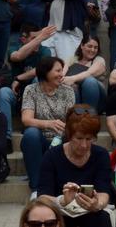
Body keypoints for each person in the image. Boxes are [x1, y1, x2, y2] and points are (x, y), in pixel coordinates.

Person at [38, 105, 112, 227]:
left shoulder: (101, 155)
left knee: (102, 218)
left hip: (91, 213)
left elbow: (104, 192)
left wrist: (96, 204)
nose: (84, 145)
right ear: (69, 135)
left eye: (89, 139)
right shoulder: (52, 156)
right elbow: (43, 196)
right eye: (79, 138)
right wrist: (62, 200)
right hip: (60, 213)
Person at [21, 56, 76, 197]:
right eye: (57, 70)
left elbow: (72, 121)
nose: (61, 74)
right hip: (40, 140)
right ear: (46, 72)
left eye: (61, 70)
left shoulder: (68, 91)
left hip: (61, 139)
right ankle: (36, 189)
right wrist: (48, 124)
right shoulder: (31, 90)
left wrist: (61, 132)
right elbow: (26, 119)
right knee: (30, 134)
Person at [64, 35, 107, 111]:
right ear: (82, 46)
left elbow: (89, 73)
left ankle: (90, 114)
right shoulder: (73, 59)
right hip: (75, 94)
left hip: (96, 98)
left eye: (95, 47)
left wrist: (72, 79)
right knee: (72, 86)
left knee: (89, 81)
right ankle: (75, 116)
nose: (93, 50)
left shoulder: (99, 60)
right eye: (90, 46)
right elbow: (62, 73)